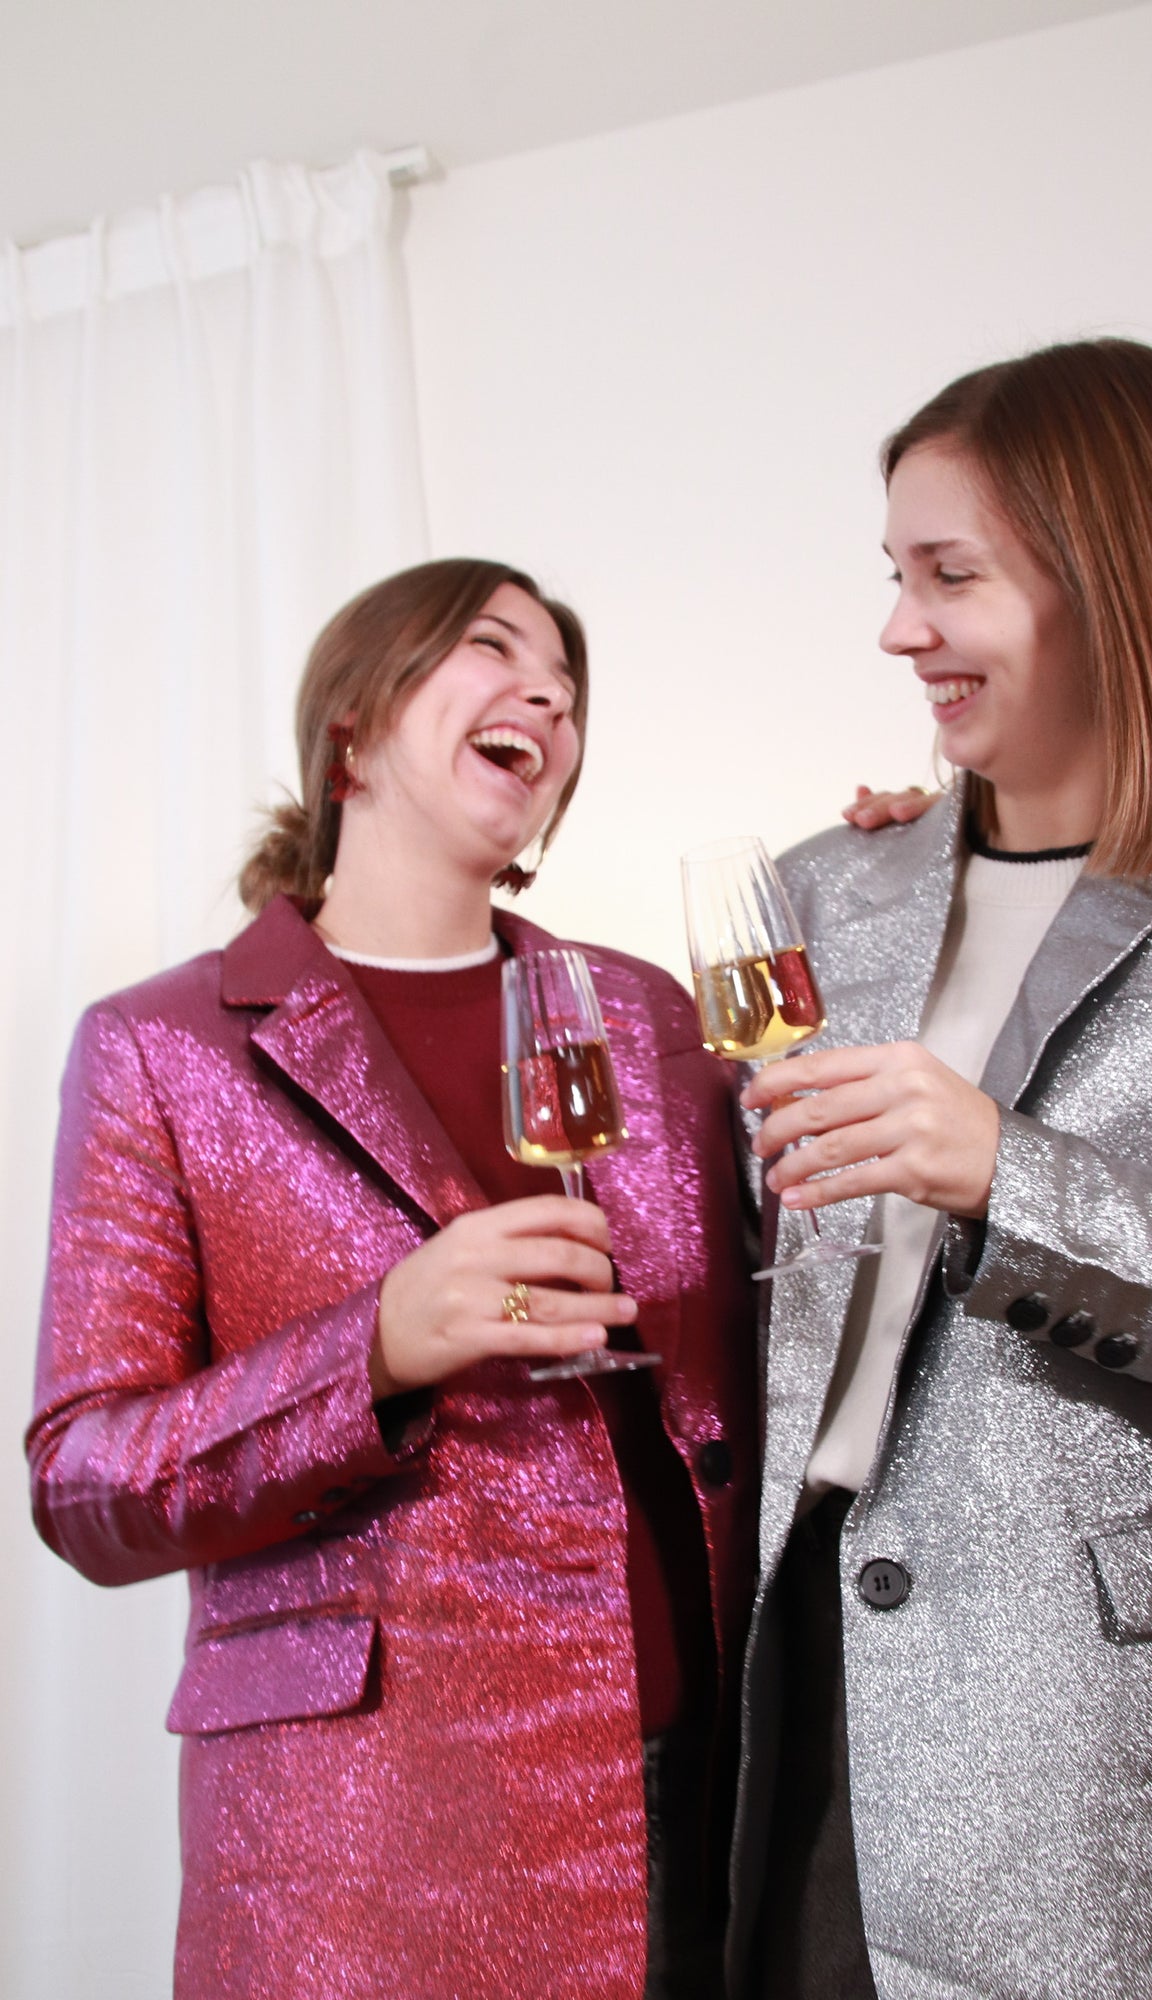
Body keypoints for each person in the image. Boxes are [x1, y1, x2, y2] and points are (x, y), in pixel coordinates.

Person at [27, 558, 758, 2000]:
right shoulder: (160, 1047)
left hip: (698, 1805)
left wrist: (914, 858)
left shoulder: (645, 1014)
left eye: (566, 683)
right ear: (351, 727)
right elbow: (84, 1481)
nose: (546, 694)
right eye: (493, 647)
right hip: (363, 1845)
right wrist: (373, 1349)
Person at [729, 339, 1152, 1999]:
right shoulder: (822, 891)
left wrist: (1014, 1178)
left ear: (1115, 580)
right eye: (893, 575)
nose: (896, 629)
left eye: (949, 576)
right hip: (801, 1680)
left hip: (1116, 1753)